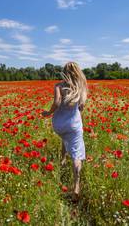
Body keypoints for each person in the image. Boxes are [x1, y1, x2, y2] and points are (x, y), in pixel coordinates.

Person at [42, 62, 88, 202]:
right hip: (73, 124)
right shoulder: (80, 87)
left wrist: (48, 113)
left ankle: (62, 159)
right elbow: (81, 107)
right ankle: (76, 186)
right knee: (76, 154)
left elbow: (56, 103)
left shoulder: (59, 86)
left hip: (59, 124)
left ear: (64, 72)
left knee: (65, 137)